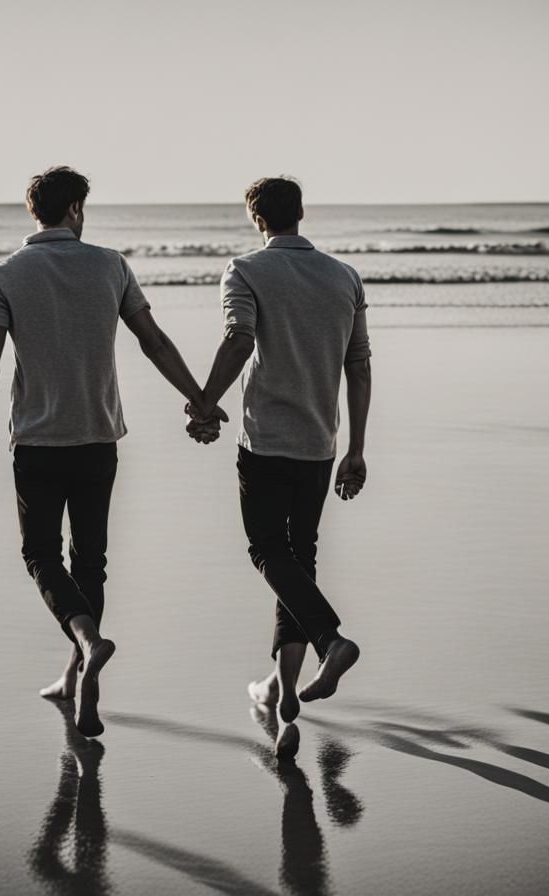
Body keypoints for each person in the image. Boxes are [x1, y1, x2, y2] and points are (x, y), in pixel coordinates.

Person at [0, 166, 223, 738]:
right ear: (76, 208)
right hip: (98, 437)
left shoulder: (4, 273)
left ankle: (85, 644)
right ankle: (83, 680)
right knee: (90, 561)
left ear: (35, 212)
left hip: (36, 438)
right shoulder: (110, 265)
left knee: (40, 555)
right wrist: (201, 399)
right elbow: (153, 342)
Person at [189, 176, 372, 756]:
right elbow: (359, 367)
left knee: (269, 551)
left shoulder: (245, 270)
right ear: (301, 213)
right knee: (298, 559)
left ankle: (330, 639)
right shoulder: (343, 276)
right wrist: (357, 448)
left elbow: (239, 339)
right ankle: (284, 696)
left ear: (256, 219)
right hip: (320, 443)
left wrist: (204, 402)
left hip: (266, 440)